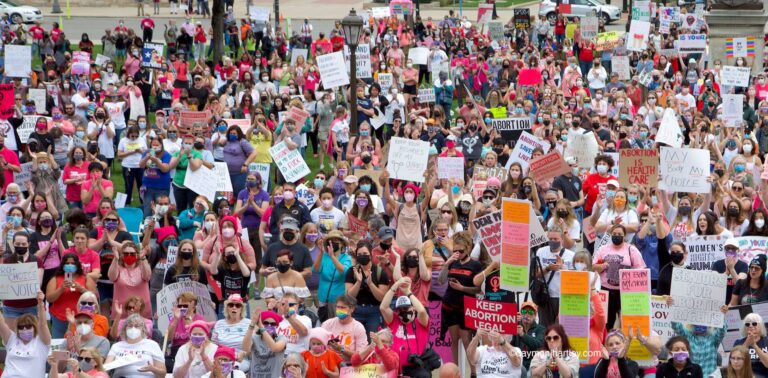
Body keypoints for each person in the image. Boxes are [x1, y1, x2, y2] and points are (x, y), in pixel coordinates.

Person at [438, 231, 483, 364]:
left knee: (467, 341)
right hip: (449, 306)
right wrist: (447, 263)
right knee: (454, 340)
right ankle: (455, 370)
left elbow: (479, 289)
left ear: (468, 248)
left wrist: (462, 288)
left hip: (466, 307)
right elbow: (440, 280)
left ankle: (473, 372)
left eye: (461, 251)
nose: (458, 254)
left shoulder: (476, 265)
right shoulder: (453, 262)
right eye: (455, 251)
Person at [380, 278, 432, 378]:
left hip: (416, 366)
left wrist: (408, 292)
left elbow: (421, 311)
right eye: (399, 310)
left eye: (406, 308)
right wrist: (395, 286)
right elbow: (383, 307)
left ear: (413, 308)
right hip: (395, 366)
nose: (403, 311)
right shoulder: (394, 320)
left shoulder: (420, 322)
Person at [345, 239, 391, 335]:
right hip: (356, 310)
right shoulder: (351, 271)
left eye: (365, 253)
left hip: (374, 312)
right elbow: (349, 296)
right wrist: (358, 282)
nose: (362, 256)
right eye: (360, 254)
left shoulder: (379, 272)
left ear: (370, 254)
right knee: (355, 340)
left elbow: (382, 298)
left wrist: (370, 284)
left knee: (373, 342)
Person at [46, 252, 97, 338]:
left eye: (73, 263)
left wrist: (81, 289)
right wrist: (61, 289)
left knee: (79, 343)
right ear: (63, 265)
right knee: (60, 344)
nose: (70, 265)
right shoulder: (55, 279)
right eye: (67, 263)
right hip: (59, 319)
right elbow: (49, 299)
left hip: (81, 319)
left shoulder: (85, 278)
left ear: (77, 264)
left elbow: (93, 296)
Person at [0, 291, 51, 378]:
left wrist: (40, 304)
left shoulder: (42, 342)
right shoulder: (12, 339)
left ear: (34, 327)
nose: (24, 329)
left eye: (28, 326)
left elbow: (43, 324)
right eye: (21, 327)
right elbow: (1, 324)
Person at [243, 308, 288, 377]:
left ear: (277, 326)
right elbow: (245, 349)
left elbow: (274, 348)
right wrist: (252, 324)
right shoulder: (254, 337)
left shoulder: (281, 338)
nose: (269, 326)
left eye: (273, 324)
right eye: (266, 323)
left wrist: (261, 327)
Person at [512, 301, 546, 370]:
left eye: (530, 312)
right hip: (516, 363)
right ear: (520, 314)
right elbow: (508, 343)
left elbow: (538, 344)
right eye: (524, 311)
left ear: (535, 315)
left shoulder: (541, 329)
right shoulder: (515, 326)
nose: (527, 314)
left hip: (533, 364)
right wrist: (512, 323)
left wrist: (522, 335)